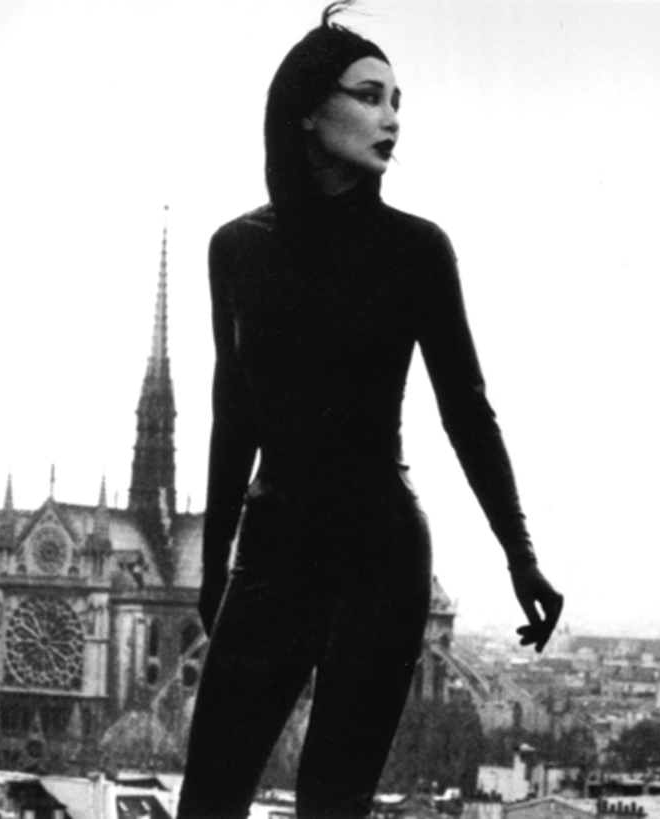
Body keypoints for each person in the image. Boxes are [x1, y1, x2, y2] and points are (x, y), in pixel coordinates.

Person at [177, 4, 563, 817]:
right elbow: (233, 415)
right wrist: (214, 570)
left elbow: (467, 411)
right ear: (306, 112)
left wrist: (519, 554)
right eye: (368, 95)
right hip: (273, 548)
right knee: (206, 803)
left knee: (330, 806)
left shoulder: (418, 248)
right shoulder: (235, 248)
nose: (391, 119)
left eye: (397, 102)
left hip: (380, 559)